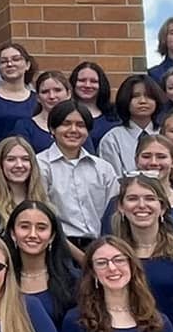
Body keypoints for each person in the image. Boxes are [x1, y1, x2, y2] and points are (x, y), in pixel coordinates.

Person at [107, 174, 173, 330]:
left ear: (162, 208)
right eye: (133, 198)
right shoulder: (110, 256)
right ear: (121, 207)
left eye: (150, 198)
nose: (141, 205)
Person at [36, 101, 119, 244]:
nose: (73, 130)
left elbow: (114, 213)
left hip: (99, 245)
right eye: (66, 124)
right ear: (52, 129)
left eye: (80, 125)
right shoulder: (39, 165)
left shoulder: (103, 169)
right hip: (56, 246)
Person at [5, 198, 78, 329]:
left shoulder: (73, 281)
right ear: (12, 234)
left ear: (52, 236)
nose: (32, 234)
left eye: (41, 228)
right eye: (24, 227)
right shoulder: (0, 279)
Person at [97, 74, 169, 174]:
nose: (143, 101)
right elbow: (113, 179)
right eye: (135, 96)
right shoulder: (112, 139)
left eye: (149, 96)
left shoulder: (165, 134)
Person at [0, 43, 39, 144]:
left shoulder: (37, 99)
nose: (10, 64)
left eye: (16, 59)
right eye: (3, 61)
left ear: (27, 65)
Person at [0, 135, 49, 230]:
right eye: (11, 159)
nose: (19, 165)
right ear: (0, 165)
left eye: (25, 159)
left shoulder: (46, 204)